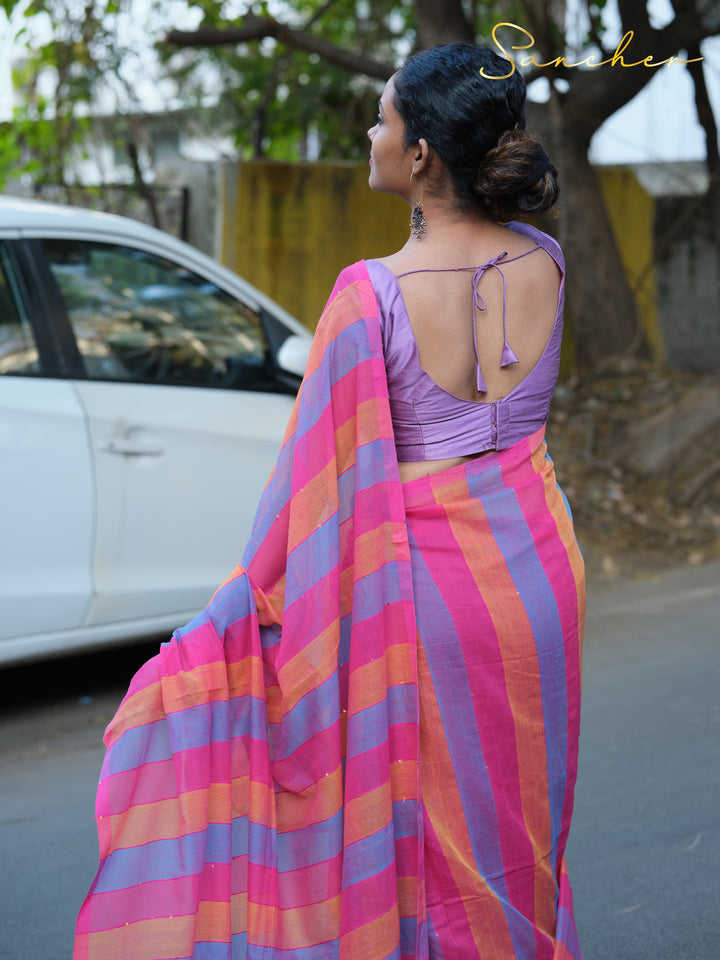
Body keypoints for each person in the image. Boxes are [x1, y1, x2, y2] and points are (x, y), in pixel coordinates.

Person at [74, 42, 585, 960]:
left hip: (426, 605)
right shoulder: (548, 260)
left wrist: (227, 619)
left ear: (422, 153)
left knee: (431, 851)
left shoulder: (371, 296)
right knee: (522, 831)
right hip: (542, 575)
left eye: (384, 117)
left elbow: (305, 491)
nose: (371, 131)